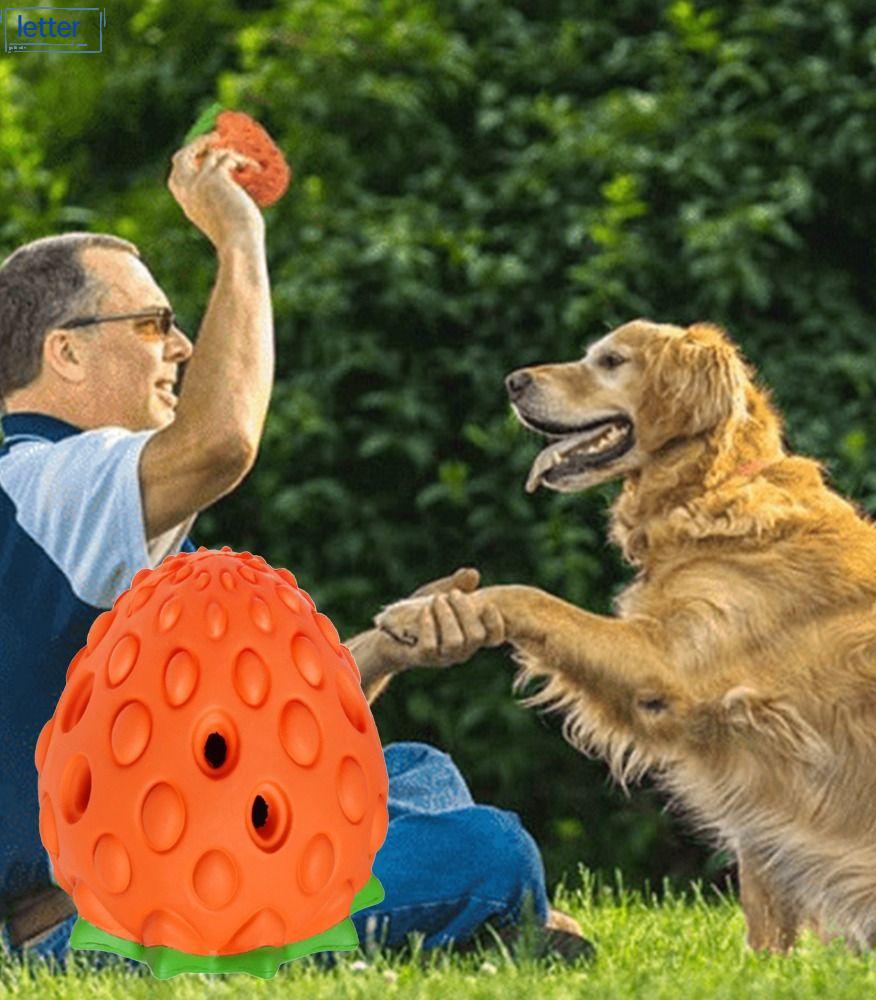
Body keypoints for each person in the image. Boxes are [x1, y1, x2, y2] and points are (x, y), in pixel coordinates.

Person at [0, 135, 590, 967]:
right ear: (65, 350)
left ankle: (479, 932)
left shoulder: (76, 509)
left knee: (415, 769)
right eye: (153, 323)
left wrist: (386, 648)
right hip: (104, 923)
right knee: (491, 855)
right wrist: (239, 237)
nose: (181, 347)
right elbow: (222, 442)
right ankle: (498, 922)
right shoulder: (44, 482)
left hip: (164, 863)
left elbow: (254, 736)